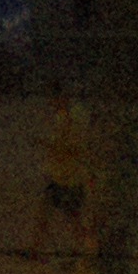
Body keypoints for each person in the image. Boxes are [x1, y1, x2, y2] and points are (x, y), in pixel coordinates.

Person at [30, 89, 90, 256]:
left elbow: (71, 148)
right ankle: (36, 247)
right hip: (63, 175)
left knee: (71, 216)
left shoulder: (70, 119)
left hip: (68, 177)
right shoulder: (69, 117)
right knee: (49, 212)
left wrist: (46, 144)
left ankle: (82, 249)